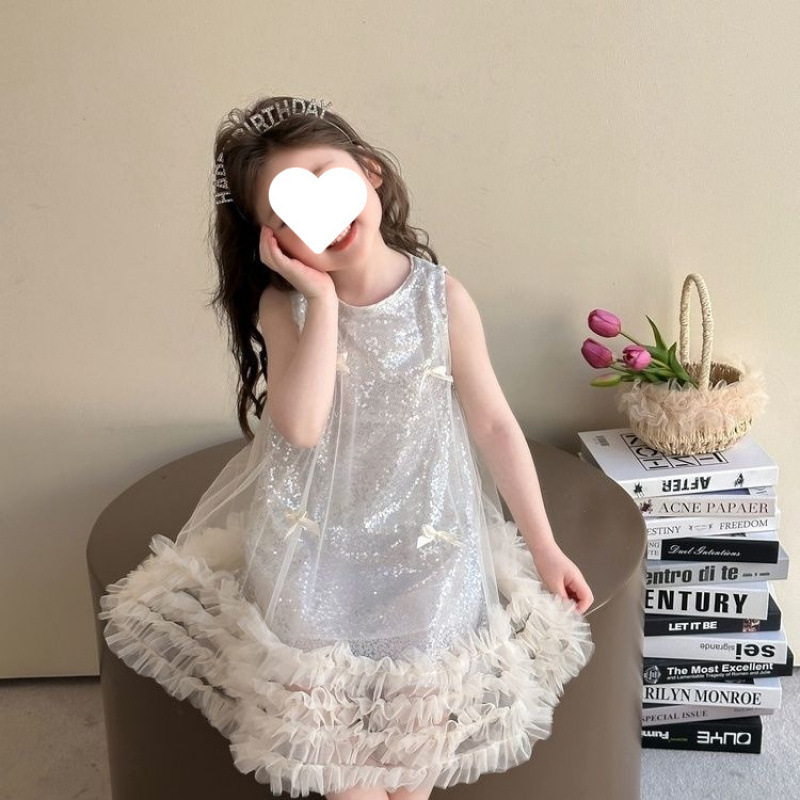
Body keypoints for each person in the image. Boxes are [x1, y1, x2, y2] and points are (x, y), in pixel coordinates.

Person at [98, 94, 595, 800]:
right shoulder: (286, 306)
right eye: (288, 215)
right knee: (348, 776)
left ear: (370, 173)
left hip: (426, 546)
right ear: (272, 240)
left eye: (327, 182)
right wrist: (323, 300)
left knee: (413, 765)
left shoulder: (441, 298)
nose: (321, 218)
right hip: (316, 553)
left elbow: (493, 425)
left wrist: (545, 549)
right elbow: (301, 426)